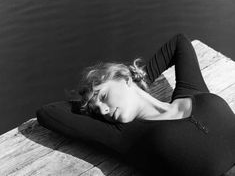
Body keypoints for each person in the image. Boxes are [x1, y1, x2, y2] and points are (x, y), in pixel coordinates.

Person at [36, 33, 235, 176]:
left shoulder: (192, 90)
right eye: (97, 110)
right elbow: (48, 113)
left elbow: (179, 43)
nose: (103, 110)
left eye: (103, 96)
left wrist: (139, 79)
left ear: (125, 79)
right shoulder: (126, 135)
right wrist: (89, 103)